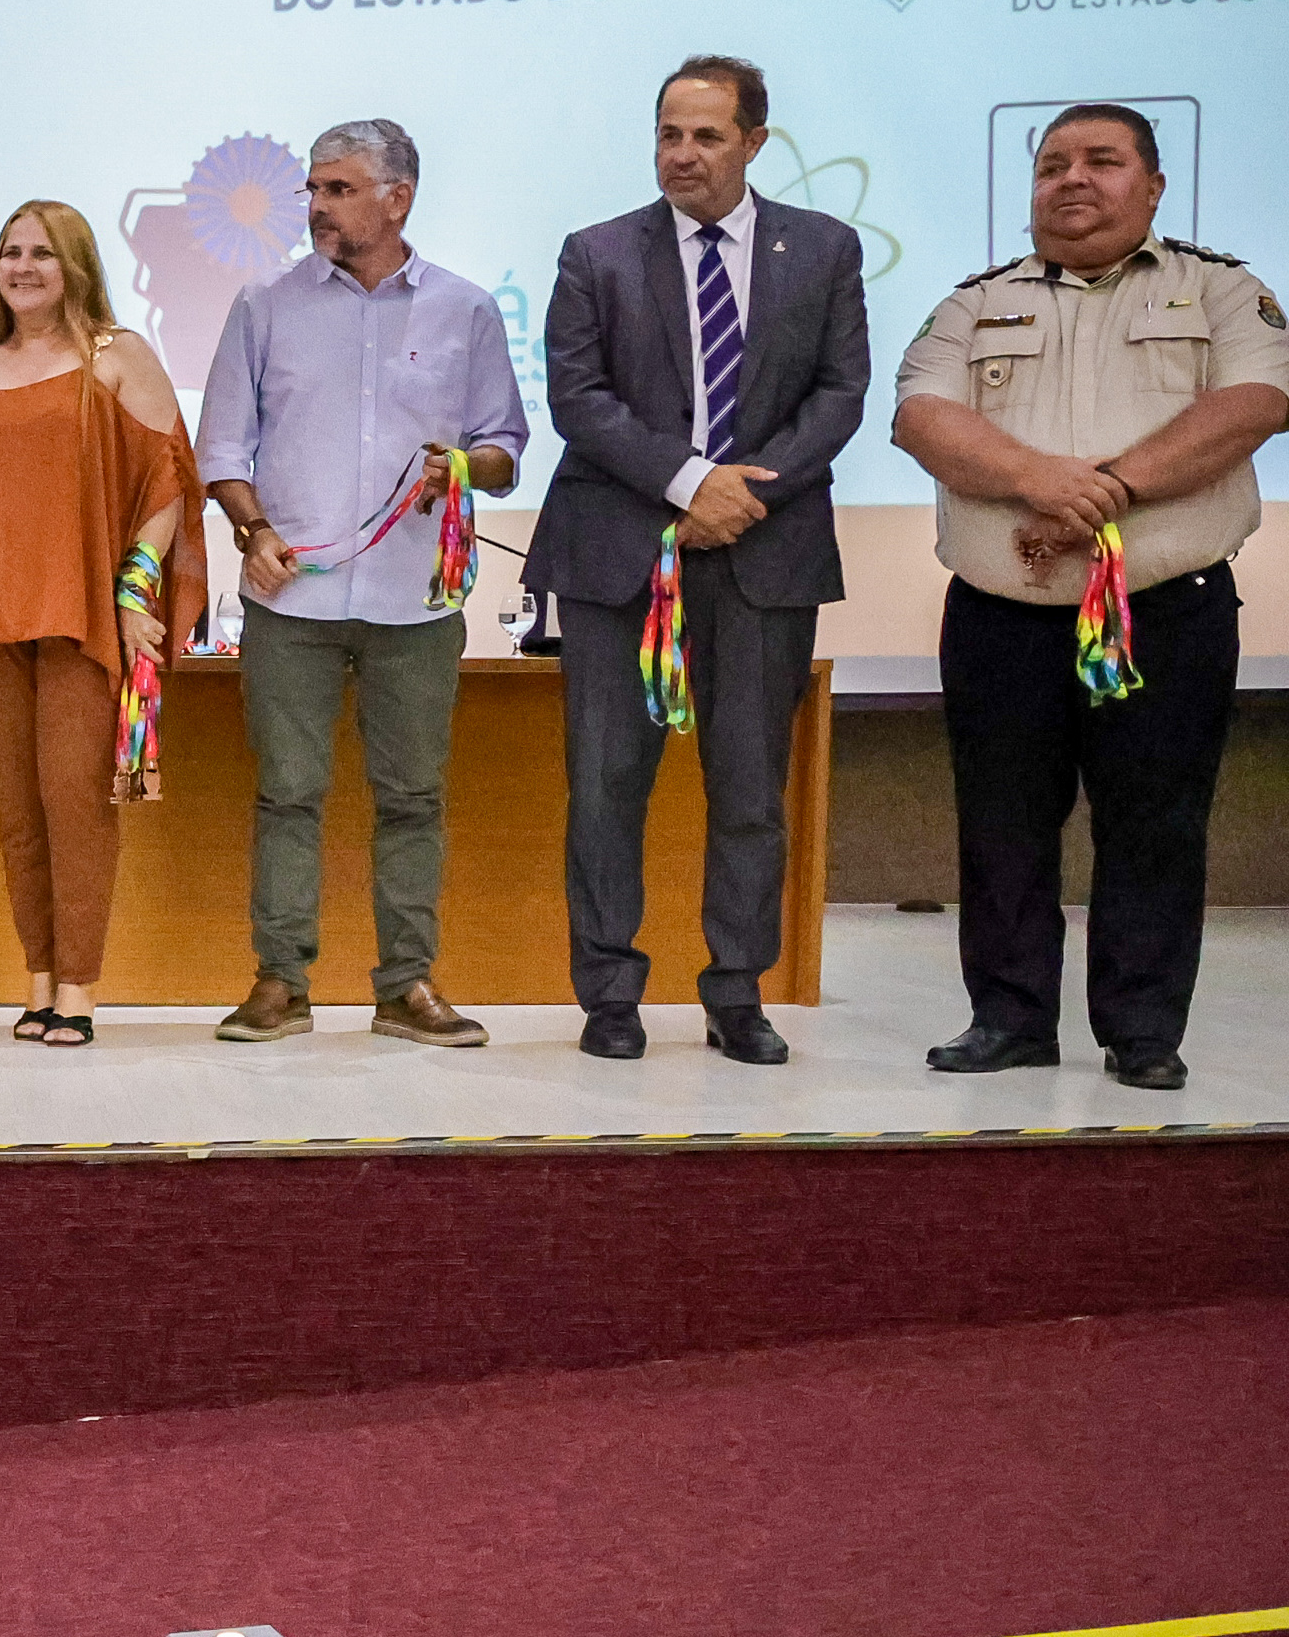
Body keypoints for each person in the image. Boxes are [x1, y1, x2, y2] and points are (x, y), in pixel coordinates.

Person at [892, 103, 1285, 1092]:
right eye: (1052, 164)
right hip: (1001, 620)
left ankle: (1142, 1029)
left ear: (1151, 187)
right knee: (1001, 825)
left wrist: (1099, 492)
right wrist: (1039, 480)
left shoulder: (1223, 290)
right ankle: (1010, 1018)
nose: (1071, 179)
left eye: (1101, 161)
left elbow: (1253, 404)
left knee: (1155, 822)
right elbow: (923, 417)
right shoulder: (972, 303)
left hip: (1166, 612)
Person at [526, 56, 868, 1066]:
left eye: (707, 136)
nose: (683, 154)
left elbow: (840, 393)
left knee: (751, 790)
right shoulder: (596, 253)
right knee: (605, 786)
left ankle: (737, 994)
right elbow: (578, 399)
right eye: (669, 134)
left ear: (754, 143)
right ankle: (608, 996)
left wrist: (742, 494)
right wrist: (688, 484)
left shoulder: (823, 248)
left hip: (765, 550)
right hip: (619, 558)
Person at [195, 117, 527, 1047]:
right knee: (286, 793)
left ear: (397, 198)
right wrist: (251, 530)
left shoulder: (464, 308)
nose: (316, 206)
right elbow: (220, 447)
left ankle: (405, 986)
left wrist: (461, 466)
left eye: (337, 189)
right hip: (289, 600)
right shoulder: (264, 304)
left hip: (413, 597)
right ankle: (279, 982)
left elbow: (504, 449)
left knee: (412, 797)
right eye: (312, 188)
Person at [0, 200, 204, 1047]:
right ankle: (38, 979)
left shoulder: (117, 356)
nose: (22, 267)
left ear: (75, 264)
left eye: (42, 253)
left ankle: (78, 987)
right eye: (10, 252)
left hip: (82, 616)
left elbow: (166, 481)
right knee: (17, 813)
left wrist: (135, 591)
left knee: (74, 805)